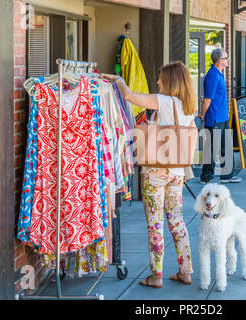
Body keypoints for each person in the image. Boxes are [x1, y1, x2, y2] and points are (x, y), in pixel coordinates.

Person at [99, 61, 196, 288]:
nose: (158, 81)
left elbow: (130, 96)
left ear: (171, 81)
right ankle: (185, 271)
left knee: (155, 225)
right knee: (177, 221)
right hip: (177, 172)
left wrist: (118, 80)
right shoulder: (186, 106)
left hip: (155, 172)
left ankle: (156, 276)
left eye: (161, 78)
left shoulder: (163, 101)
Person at [198, 48, 242, 184]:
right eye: (226, 57)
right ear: (220, 61)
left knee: (226, 147)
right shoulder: (212, 76)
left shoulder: (219, 74)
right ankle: (206, 177)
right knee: (211, 148)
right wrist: (202, 115)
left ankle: (227, 175)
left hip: (222, 117)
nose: (228, 60)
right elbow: (207, 100)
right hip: (214, 117)